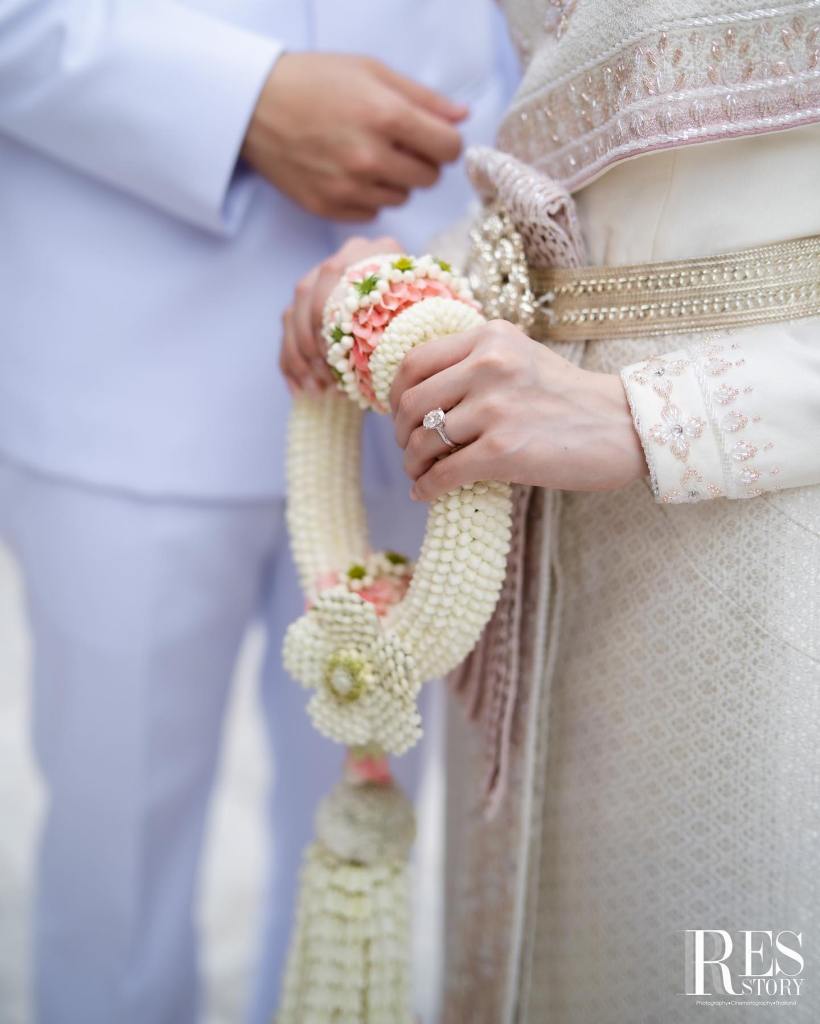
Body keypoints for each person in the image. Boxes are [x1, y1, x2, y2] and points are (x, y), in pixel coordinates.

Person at [285, 1, 820, 1020]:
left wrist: (657, 414)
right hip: (526, 530)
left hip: (762, 565)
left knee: (731, 972)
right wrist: (407, 281)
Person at [0, 3, 514, 1022]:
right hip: (118, 331)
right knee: (114, 874)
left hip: (433, 324)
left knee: (366, 852)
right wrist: (239, 102)